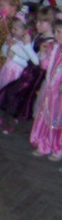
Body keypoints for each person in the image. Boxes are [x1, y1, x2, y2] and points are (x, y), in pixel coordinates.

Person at [0, 6, 57, 129]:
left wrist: (26, 45)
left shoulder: (50, 42)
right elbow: (28, 56)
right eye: (37, 21)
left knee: (20, 96)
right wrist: (15, 47)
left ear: (51, 24)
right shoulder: (39, 36)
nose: (37, 24)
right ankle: (8, 117)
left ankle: (13, 121)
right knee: (11, 92)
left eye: (42, 22)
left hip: (35, 75)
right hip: (28, 71)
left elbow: (37, 61)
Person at [30, 17, 62, 161]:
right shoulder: (53, 47)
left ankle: (58, 147)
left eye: (60, 32)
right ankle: (44, 144)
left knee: (58, 118)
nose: (56, 35)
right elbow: (45, 66)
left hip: (59, 91)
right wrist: (43, 53)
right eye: (55, 32)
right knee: (46, 115)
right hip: (50, 88)